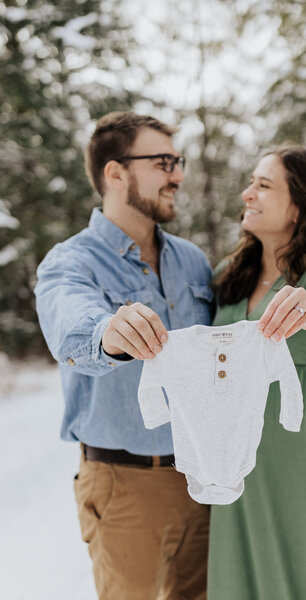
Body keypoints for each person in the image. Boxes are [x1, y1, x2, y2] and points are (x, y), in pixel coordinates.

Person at [34, 111, 213, 600]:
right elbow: (73, 332)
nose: (177, 174)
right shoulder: (70, 263)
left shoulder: (193, 260)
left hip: (204, 478)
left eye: (177, 161)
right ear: (115, 173)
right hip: (125, 484)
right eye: (162, 162)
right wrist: (111, 333)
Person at [207, 146, 306, 600]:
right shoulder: (228, 273)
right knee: (241, 571)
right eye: (251, 182)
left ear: (304, 207)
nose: (247, 193)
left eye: (263, 184)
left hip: (300, 447)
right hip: (234, 450)